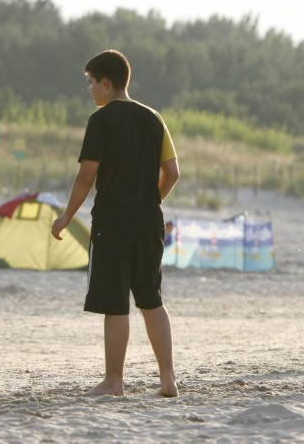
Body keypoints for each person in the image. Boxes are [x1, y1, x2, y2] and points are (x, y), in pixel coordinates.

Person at [50, 50, 180, 398]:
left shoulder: (101, 119)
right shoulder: (154, 118)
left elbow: (86, 176)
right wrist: (151, 202)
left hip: (112, 222)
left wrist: (66, 216)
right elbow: (172, 172)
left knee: (115, 302)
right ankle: (168, 378)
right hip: (149, 221)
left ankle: (114, 381)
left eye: (91, 83)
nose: (90, 90)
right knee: (151, 299)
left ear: (106, 83)